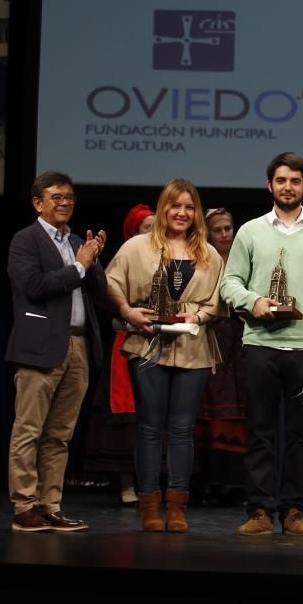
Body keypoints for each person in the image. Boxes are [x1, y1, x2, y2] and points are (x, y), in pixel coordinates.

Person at [221, 152, 303, 537]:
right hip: (260, 344)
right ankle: (259, 510)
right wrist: (253, 301)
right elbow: (229, 283)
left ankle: (294, 510)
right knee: (260, 431)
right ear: (270, 185)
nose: (288, 187)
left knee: (300, 435)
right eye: (281, 180)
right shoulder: (250, 231)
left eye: (295, 181)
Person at [107, 179, 224, 532]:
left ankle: (177, 506)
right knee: (149, 428)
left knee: (182, 429)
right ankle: (149, 505)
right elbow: (111, 283)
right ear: (163, 208)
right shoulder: (136, 247)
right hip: (147, 344)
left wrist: (199, 317)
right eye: (176, 206)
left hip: (192, 346)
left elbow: (217, 299)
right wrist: (128, 312)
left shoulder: (208, 253)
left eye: (189, 207)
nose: (182, 213)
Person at [6, 170, 106, 532]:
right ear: (38, 203)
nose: (65, 203)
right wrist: (79, 265)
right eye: (56, 197)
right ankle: (24, 506)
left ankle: (49, 505)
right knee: (28, 429)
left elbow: (97, 291)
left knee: (60, 433)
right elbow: (32, 285)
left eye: (69, 197)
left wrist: (93, 261)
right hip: (40, 346)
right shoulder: (26, 240)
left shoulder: (77, 240)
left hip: (77, 344)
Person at [84, 203, 154, 505]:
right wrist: (128, 316)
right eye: (146, 228)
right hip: (128, 341)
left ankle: (154, 484)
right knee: (126, 416)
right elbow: (106, 298)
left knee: (156, 414)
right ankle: (127, 485)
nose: (153, 233)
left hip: (161, 342)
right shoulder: (125, 259)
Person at [195, 208, 249, 501]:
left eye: (229, 228)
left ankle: (234, 483)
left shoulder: (244, 261)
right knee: (209, 406)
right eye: (218, 230)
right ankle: (206, 482)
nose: (225, 234)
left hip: (239, 341)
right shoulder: (203, 263)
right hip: (211, 339)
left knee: (239, 407)